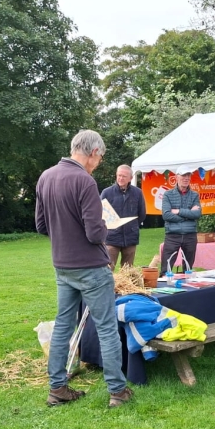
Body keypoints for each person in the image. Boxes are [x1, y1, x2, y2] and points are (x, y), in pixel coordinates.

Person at [35, 129, 134, 408]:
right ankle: (117, 391)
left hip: (62, 266)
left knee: (64, 326)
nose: (99, 163)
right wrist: (106, 226)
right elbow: (94, 233)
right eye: (100, 158)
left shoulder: (46, 177)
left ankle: (57, 387)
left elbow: (41, 226)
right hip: (91, 266)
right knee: (106, 327)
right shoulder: (84, 181)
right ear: (93, 152)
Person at [101, 164, 146, 269]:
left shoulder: (137, 193)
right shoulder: (106, 193)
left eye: (124, 176)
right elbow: (101, 214)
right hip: (111, 238)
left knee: (128, 270)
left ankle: (125, 286)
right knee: (108, 269)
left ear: (130, 178)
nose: (120, 178)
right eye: (119, 175)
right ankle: (108, 286)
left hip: (130, 237)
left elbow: (142, 214)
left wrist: (132, 226)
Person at [161, 166, 202, 273]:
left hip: (190, 236)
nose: (186, 178)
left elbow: (197, 214)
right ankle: (164, 287)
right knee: (166, 268)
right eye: (183, 175)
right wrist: (188, 214)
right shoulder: (168, 194)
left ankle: (187, 289)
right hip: (172, 235)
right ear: (177, 177)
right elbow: (166, 215)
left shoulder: (194, 195)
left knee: (188, 269)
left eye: (188, 175)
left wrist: (178, 211)